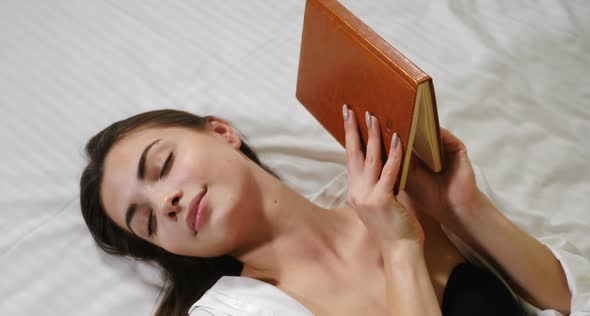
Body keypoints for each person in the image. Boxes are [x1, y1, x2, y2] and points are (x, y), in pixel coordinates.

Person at [80, 107, 573, 316]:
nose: (165, 202)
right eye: (146, 221)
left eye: (163, 165)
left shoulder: (402, 197)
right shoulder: (235, 313)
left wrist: (464, 207)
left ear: (221, 132)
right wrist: (400, 250)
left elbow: (564, 300)